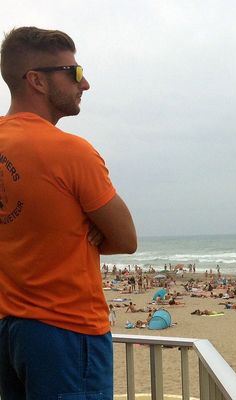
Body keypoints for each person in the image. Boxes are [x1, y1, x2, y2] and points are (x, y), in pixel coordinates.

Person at [0, 27, 137, 398]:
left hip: (11, 330)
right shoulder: (70, 152)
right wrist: (87, 232)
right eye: (73, 72)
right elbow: (126, 239)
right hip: (68, 331)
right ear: (36, 81)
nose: (86, 83)